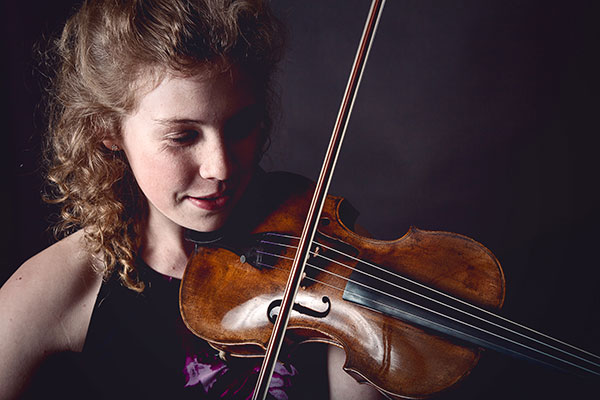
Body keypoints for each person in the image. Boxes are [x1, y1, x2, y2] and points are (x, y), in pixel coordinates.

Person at [0, 0, 382, 399]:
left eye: (241, 125)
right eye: (183, 136)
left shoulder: (322, 253)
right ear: (106, 130)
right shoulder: (64, 286)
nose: (220, 167)